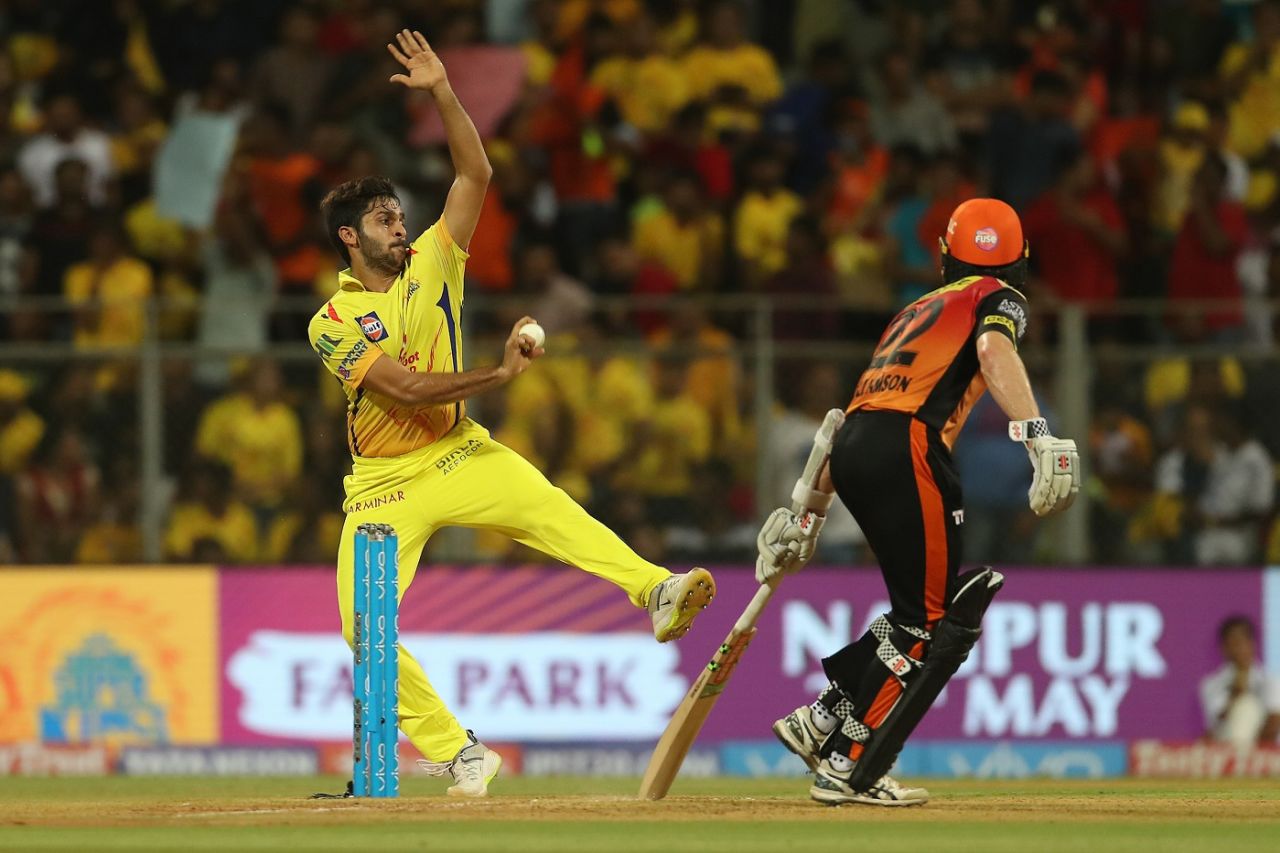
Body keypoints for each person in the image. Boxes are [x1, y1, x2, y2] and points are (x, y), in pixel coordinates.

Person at [305, 30, 714, 800]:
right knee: (365, 629)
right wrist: (496, 373)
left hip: (460, 453)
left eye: (401, 214)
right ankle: (462, 754)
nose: (401, 225)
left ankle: (657, 591)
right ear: (349, 237)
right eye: (385, 219)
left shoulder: (436, 257)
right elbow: (401, 389)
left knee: (551, 509)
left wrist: (440, 91)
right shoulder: (332, 318)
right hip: (386, 483)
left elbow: (476, 169)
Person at [755, 198, 1080, 806]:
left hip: (854, 448)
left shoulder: (916, 309)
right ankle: (848, 765)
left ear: (944, 256)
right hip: (910, 447)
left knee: (913, 613)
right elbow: (993, 352)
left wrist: (808, 511)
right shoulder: (997, 297)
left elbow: (844, 421)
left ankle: (821, 718)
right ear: (1022, 262)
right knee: (928, 626)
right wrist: (1038, 434)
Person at [1200, 616, 1280, 747]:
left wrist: (1251, 755)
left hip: (1263, 751)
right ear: (1224, 648)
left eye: (1241, 641)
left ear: (1252, 644)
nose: (1238, 648)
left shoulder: (1271, 681)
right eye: (1232, 643)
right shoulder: (1211, 685)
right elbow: (1217, 723)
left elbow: (1274, 722)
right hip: (1225, 748)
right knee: (1245, 708)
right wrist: (1238, 689)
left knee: (1249, 707)